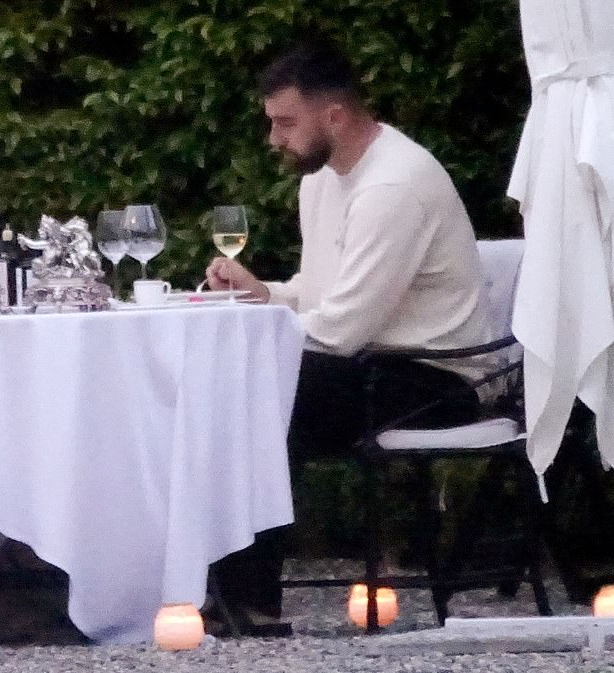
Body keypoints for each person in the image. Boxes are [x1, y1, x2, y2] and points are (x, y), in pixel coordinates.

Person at [205, 39, 493, 625]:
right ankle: (232, 597)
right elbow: (321, 297)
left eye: (286, 123)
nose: (274, 140)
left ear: (334, 116)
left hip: (441, 376)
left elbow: (339, 330)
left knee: (259, 393)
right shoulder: (324, 179)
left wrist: (260, 337)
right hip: (376, 359)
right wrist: (262, 293)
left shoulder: (393, 186)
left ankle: (246, 604)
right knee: (232, 386)